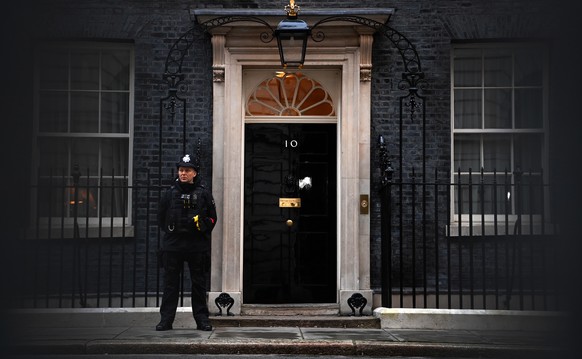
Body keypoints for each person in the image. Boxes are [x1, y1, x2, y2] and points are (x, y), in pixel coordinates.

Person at [156, 154, 217, 331]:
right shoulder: (169, 193)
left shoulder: (204, 194)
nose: (183, 173)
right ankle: (166, 320)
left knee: (198, 284)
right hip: (173, 246)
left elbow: (213, 218)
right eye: (181, 170)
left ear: (194, 173)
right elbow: (160, 218)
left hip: (196, 246)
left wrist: (201, 225)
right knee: (170, 285)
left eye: (187, 170)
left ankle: (202, 320)